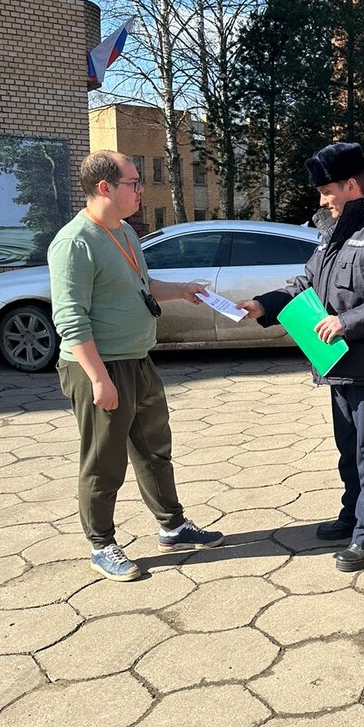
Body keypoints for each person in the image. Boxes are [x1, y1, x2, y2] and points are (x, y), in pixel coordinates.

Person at [239, 142, 364, 573]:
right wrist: (263, 305)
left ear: (351, 185)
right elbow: (305, 281)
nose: (322, 201)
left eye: (327, 192)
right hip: (336, 363)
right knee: (348, 447)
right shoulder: (332, 232)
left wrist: (346, 322)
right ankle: (353, 513)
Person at [48, 150, 224, 582]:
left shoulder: (123, 232)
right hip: (100, 368)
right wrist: (98, 380)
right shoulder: (74, 243)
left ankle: (172, 525)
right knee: (104, 461)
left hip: (138, 360)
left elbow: (141, 286)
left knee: (154, 450)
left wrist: (181, 290)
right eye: (134, 182)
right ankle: (102, 544)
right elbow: (70, 319)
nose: (141, 190)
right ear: (105, 188)